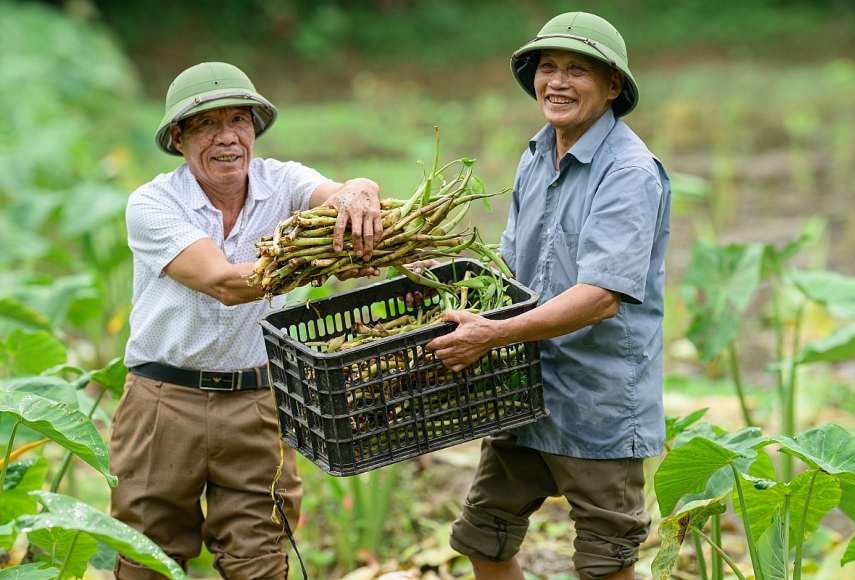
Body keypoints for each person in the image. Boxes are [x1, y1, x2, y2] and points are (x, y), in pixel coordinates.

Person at [111, 62, 383, 580]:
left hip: (257, 402)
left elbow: (338, 192)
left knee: (259, 560)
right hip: (164, 404)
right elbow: (224, 282)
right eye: (207, 124)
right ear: (178, 136)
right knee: (148, 558)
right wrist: (324, 258)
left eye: (240, 120)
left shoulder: (282, 182)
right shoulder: (153, 203)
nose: (228, 137)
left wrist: (360, 190)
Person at [425, 12, 671, 580]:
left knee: (605, 562)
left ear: (613, 86)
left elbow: (601, 296)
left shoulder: (630, 172)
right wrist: (434, 271)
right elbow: (514, 268)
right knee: (484, 537)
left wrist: (493, 334)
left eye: (577, 70)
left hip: (597, 400)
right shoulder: (537, 153)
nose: (556, 81)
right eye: (547, 67)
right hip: (525, 388)